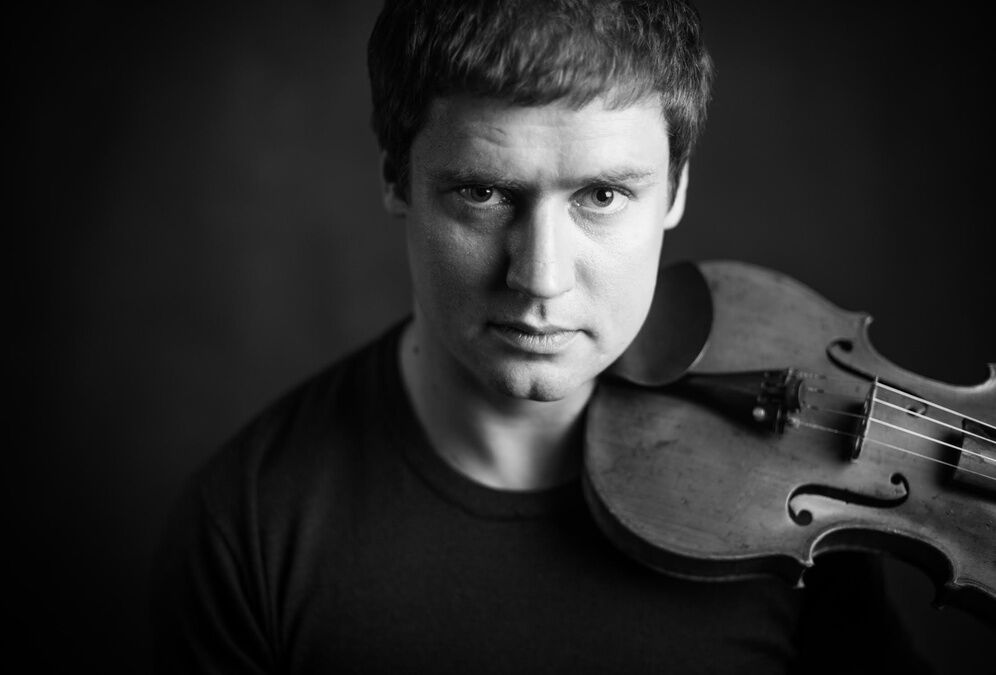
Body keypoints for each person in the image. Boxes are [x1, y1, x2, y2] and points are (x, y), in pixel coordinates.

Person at [151, 0, 932, 672]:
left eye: (602, 195)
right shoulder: (246, 530)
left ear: (676, 188)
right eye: (482, 192)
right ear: (395, 177)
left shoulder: (794, 497)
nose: (541, 278)